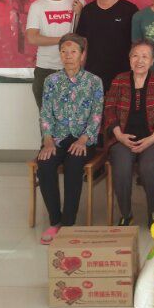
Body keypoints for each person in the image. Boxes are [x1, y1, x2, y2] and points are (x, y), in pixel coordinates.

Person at [37, 33, 103, 244]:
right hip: (56, 138)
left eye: (73, 51)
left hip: (83, 139)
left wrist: (83, 139)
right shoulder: (51, 81)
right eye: (64, 52)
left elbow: (96, 115)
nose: (68, 56)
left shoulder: (94, 82)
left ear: (82, 55)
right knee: (45, 163)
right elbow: (45, 113)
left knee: (74, 164)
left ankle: (68, 223)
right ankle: (55, 220)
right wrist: (48, 140)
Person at [103, 39, 154, 227]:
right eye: (135, 56)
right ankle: (126, 214)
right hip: (123, 138)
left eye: (145, 56)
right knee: (122, 167)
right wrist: (119, 135)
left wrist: (153, 137)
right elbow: (109, 109)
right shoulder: (119, 80)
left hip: (153, 139)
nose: (139, 60)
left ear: (152, 61)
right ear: (129, 59)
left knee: (148, 168)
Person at [26, 0, 82, 108]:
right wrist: (63, 40)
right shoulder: (37, 6)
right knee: (47, 117)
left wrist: (80, 14)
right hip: (46, 69)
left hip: (75, 68)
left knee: (75, 116)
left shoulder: (79, 3)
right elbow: (32, 37)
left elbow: (86, 35)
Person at [76, 0, 138, 94]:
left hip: (123, 76)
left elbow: (136, 44)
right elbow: (83, 44)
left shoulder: (130, 10)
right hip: (93, 77)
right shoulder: (88, 11)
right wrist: (80, 72)